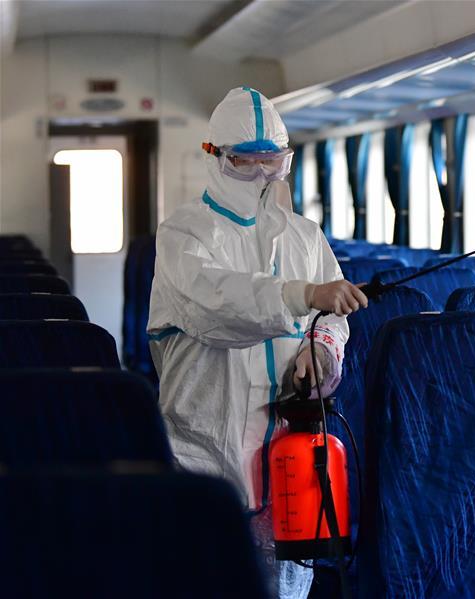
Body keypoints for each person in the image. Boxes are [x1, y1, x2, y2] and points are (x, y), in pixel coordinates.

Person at [147, 87, 367, 598]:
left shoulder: (304, 236)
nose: (263, 176)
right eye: (246, 163)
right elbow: (216, 308)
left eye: (274, 162)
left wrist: (321, 347)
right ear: (214, 158)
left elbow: (332, 320)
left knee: (287, 588)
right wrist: (300, 294)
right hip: (206, 451)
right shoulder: (185, 235)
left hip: (289, 456)